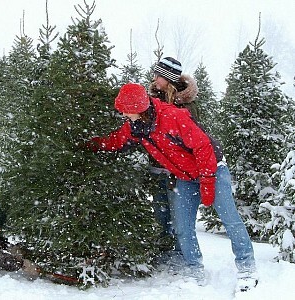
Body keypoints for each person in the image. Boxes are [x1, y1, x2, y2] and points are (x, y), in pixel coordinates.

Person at [86, 83, 258, 291]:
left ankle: (246, 266)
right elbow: (118, 140)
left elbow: (203, 146)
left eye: (125, 109)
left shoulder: (173, 117)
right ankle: (194, 268)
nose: (122, 112)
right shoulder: (136, 126)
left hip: (212, 168)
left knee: (229, 218)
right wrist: (93, 144)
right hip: (184, 177)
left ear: (138, 108)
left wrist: (207, 180)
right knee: (183, 227)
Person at [147, 57, 199, 260]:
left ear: (168, 78)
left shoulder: (187, 105)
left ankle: (183, 256)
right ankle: (163, 251)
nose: (154, 79)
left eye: (158, 75)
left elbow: (191, 138)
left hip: (178, 171)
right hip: (157, 167)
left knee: (180, 219)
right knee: (160, 214)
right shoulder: (152, 100)